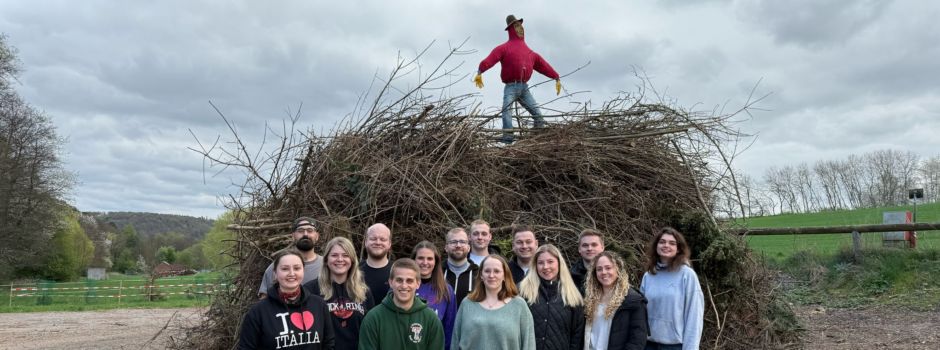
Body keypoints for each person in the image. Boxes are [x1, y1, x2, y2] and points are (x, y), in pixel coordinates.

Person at [475, 14, 563, 143]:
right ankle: (508, 137)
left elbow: (543, 66)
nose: (520, 28)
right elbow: (491, 59)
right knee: (507, 111)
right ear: (511, 29)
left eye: (520, 25)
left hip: (524, 88)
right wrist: (480, 70)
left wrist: (556, 76)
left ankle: (537, 137)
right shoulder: (504, 48)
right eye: (516, 25)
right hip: (511, 87)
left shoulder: (530, 53)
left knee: (538, 115)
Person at [239, 249, 335, 349]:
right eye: (285, 269)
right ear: (275, 273)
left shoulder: (319, 305)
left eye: (297, 268)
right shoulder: (258, 312)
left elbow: (328, 343)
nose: (291, 273)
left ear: (303, 271)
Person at [303, 237, 374, 350]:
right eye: (334, 255)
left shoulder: (363, 291)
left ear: (352, 260)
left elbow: (371, 330)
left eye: (345, 255)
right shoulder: (310, 290)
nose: (340, 259)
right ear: (326, 260)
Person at [452, 255, 536, 350]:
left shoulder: (519, 305)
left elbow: (529, 344)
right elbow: (455, 340)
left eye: (497, 271)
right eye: (487, 271)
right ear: (481, 275)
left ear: (505, 275)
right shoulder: (467, 303)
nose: (491, 275)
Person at [358, 258, 445, 350]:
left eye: (409, 281)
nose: (404, 286)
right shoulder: (373, 318)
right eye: (399, 280)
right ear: (391, 282)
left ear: (418, 283)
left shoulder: (431, 319)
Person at [640, 227, 704, 350]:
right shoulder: (649, 275)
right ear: (656, 246)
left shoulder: (687, 275)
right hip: (648, 345)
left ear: (678, 248)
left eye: (672, 243)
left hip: (674, 346)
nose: (666, 245)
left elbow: (694, 316)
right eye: (662, 242)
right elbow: (641, 312)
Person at [518, 244, 584, 350]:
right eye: (540, 263)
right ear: (535, 265)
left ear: (559, 263)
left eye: (550, 262)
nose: (545, 267)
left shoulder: (573, 295)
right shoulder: (522, 292)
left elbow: (577, 335)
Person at [583, 251, 648, 350]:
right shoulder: (589, 298)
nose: (604, 272)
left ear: (618, 269)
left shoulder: (633, 300)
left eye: (608, 268)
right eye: (599, 269)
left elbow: (637, 340)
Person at [259, 217, 324, 299]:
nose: (305, 234)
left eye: (310, 230)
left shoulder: (327, 265)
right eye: (300, 231)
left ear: (317, 236)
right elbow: (264, 300)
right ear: (293, 236)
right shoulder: (278, 266)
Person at [412, 241, 458, 350]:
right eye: (420, 258)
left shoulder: (446, 290)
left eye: (429, 259)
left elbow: (450, 329)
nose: (425, 262)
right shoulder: (403, 287)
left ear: (436, 261)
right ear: (413, 260)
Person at [443, 227, 479, 308]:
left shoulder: (479, 274)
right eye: (453, 242)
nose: (458, 245)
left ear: (469, 247)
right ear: (446, 247)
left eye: (462, 242)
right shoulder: (437, 272)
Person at [361, 223, 392, 300]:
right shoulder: (354, 272)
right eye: (373, 239)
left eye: (383, 239)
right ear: (365, 242)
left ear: (389, 244)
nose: (378, 242)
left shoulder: (397, 271)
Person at [570, 229, 605, 296]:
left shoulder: (613, 274)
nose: (589, 248)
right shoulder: (570, 277)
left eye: (594, 245)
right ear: (579, 249)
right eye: (585, 245)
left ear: (602, 247)